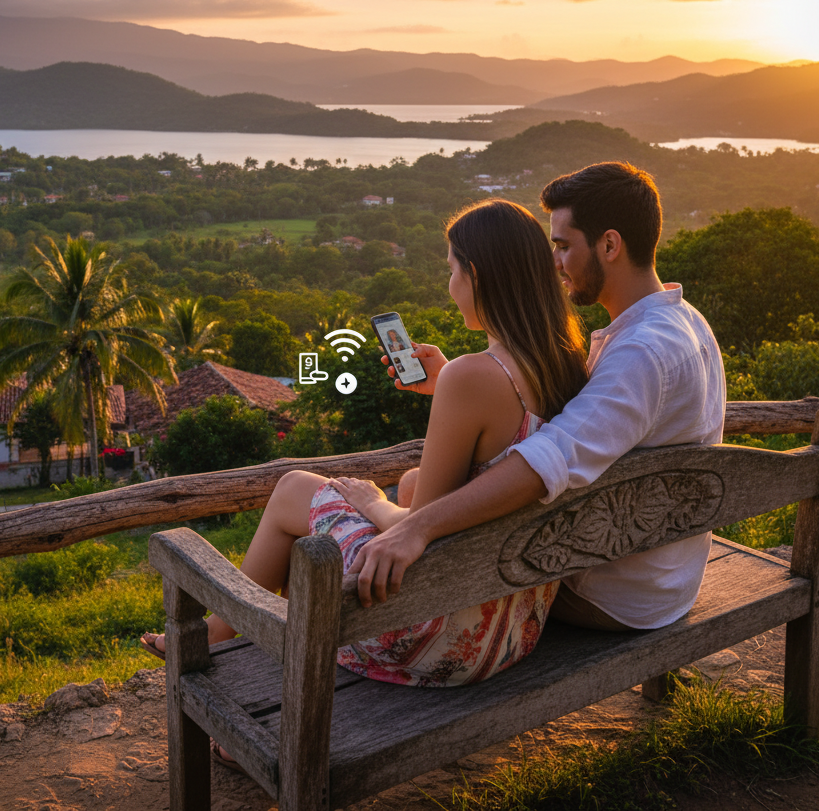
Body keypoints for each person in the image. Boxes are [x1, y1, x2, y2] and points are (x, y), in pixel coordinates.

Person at [141, 197, 588, 689]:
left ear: (477, 275)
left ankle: (218, 642)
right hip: (512, 628)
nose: (449, 286)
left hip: (441, 639)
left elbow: (424, 528)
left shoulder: (473, 377)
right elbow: (503, 440)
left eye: (452, 271)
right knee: (413, 480)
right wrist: (448, 388)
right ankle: (236, 647)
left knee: (295, 488)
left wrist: (373, 503)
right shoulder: (565, 360)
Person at [350, 161, 726, 635]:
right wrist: (453, 383)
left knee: (402, 507)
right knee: (413, 485)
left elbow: (545, 462)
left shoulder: (642, 354)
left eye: (564, 246)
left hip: (611, 590)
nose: (554, 263)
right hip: (662, 573)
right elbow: (581, 429)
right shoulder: (681, 320)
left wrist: (415, 528)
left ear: (609, 245)